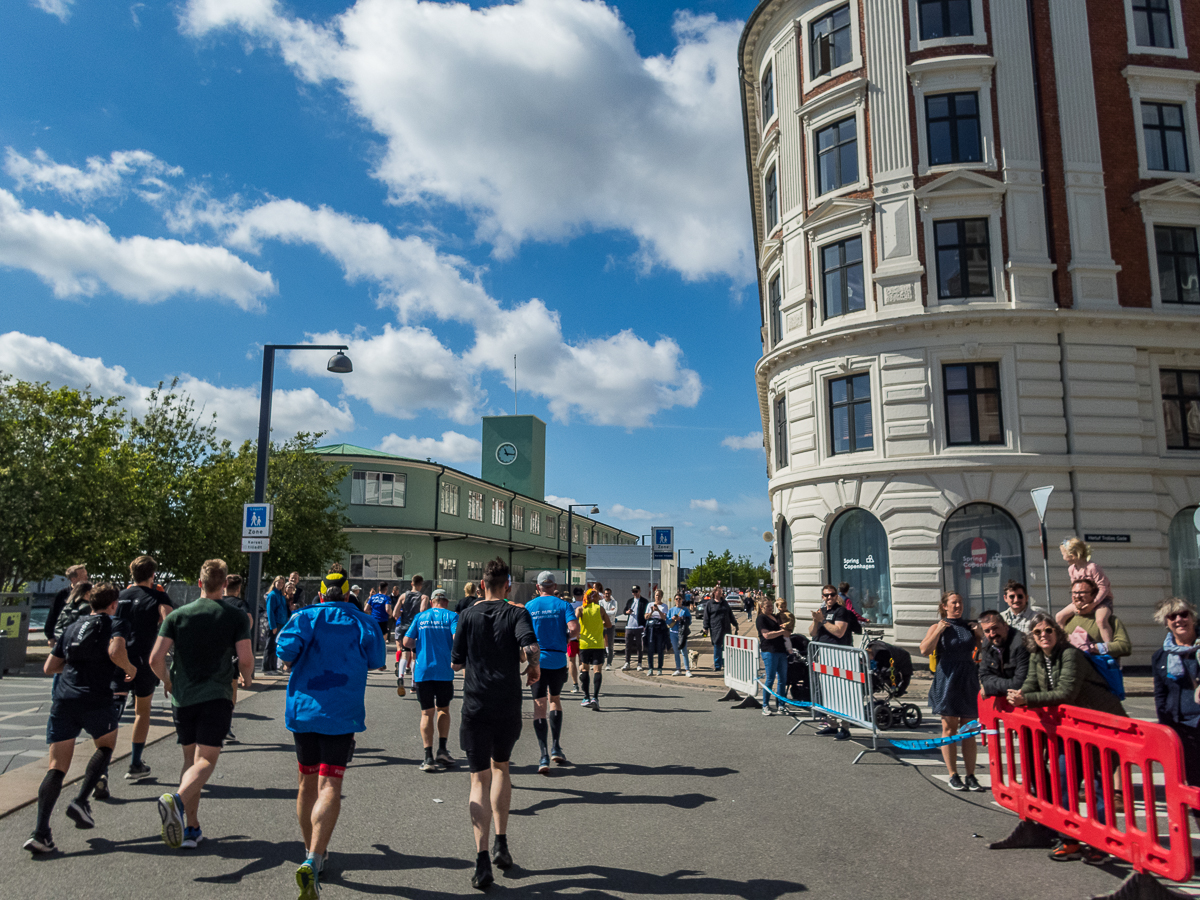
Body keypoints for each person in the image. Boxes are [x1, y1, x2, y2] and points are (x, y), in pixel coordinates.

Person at [276, 581, 384, 899]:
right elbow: (377, 660)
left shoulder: (305, 617)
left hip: (304, 711)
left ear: (322, 594)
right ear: (349, 595)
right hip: (342, 713)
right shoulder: (363, 621)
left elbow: (284, 651)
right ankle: (315, 857)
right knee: (331, 784)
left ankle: (310, 851)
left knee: (306, 781)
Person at [149, 558, 253, 851]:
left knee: (189, 760)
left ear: (199, 584)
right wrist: (246, 678)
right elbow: (245, 658)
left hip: (183, 697)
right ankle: (177, 801)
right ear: (224, 585)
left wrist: (167, 681)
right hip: (215, 694)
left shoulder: (177, 616)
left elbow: (155, 659)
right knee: (206, 759)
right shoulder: (235, 617)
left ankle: (190, 827)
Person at [23, 583, 135, 855]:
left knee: (56, 767)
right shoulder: (115, 622)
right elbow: (115, 652)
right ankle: (81, 800)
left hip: (65, 698)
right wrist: (129, 668)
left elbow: (50, 667)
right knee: (106, 746)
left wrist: (74, 666)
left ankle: (41, 832)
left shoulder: (74, 625)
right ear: (113, 604)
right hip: (96, 697)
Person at [450, 558, 540, 890]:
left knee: (478, 779)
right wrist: (533, 668)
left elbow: (456, 664)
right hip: (507, 704)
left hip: (475, 704)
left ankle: (482, 860)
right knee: (501, 767)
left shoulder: (466, 615)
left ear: (482, 584)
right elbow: (530, 645)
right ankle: (502, 841)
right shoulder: (517, 612)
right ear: (507, 585)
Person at [1007, 612, 1125, 864]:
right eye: (1037, 632)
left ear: (1057, 633)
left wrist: (1026, 699)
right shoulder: (1038, 657)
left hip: (1097, 726)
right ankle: (1069, 838)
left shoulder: (1071, 654)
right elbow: (1030, 684)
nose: (1043, 635)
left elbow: (1066, 692)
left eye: (1048, 630)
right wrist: (1018, 694)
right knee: (1062, 781)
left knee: (1097, 786)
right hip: (1069, 730)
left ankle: (1100, 843)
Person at [108, 556, 174, 784]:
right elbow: (169, 622)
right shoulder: (158, 596)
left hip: (119, 658)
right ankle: (135, 762)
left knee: (112, 713)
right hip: (144, 660)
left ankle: (102, 768)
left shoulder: (120, 597)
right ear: (152, 575)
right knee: (141, 711)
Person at [919, 591, 984, 792]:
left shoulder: (969, 627)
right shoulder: (938, 626)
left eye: (960, 603)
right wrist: (938, 630)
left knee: (969, 730)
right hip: (947, 678)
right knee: (949, 728)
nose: (958, 606)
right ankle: (953, 774)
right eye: (954, 603)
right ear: (945, 606)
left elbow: (981, 651)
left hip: (968, 678)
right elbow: (924, 650)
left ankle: (971, 775)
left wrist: (979, 636)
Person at [524, 571, 578, 772]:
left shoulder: (529, 607)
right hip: (557, 660)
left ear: (538, 587)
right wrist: (563, 638)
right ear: (554, 586)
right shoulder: (563, 605)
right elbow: (574, 630)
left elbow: (522, 633)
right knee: (554, 699)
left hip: (537, 659)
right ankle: (556, 746)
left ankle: (543, 755)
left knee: (539, 705)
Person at [1151, 597, 1200, 813]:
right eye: (1172, 616)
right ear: (1166, 622)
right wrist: (1165, 731)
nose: (1179, 619)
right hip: (1183, 728)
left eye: (1184, 614)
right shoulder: (1160, 656)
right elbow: (1160, 696)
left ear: (1192, 617)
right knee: (1195, 784)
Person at [403, 588, 459, 773]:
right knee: (443, 709)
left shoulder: (421, 616)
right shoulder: (451, 616)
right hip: (444, 670)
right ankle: (442, 749)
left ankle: (428, 757)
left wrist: (419, 644)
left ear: (432, 601)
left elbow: (407, 642)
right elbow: (456, 637)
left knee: (426, 713)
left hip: (423, 671)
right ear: (446, 601)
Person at [1055, 537, 1115, 645]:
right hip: (1082, 600)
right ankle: (1066, 643)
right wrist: (1076, 604)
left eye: (1063, 554)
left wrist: (1093, 604)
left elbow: (1103, 588)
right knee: (1059, 617)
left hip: (1101, 600)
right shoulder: (1072, 569)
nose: (1063, 558)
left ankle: (1109, 648)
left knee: (1101, 620)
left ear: (1072, 554)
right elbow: (1074, 589)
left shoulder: (1092, 568)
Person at [1060, 578, 1132, 661]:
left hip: (1099, 670)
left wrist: (1093, 647)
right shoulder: (1066, 620)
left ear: (1094, 595)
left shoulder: (1108, 620)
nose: (1077, 596)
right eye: (1074, 592)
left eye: (1082, 592)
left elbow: (1125, 647)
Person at [224, 573, 252, 744]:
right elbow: (248, 622)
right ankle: (226, 726)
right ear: (239, 588)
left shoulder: (215, 602)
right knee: (231, 689)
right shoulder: (241, 604)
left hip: (213, 651)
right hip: (232, 650)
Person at [978, 609, 1030, 698]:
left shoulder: (1021, 643)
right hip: (1004, 701)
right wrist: (993, 687)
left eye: (995, 628)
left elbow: (1019, 683)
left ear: (1005, 626)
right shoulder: (987, 644)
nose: (992, 634)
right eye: (987, 631)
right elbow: (984, 676)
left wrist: (990, 687)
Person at [576, 589, 611, 708]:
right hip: (598, 644)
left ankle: (586, 697)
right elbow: (609, 624)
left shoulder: (580, 609)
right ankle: (595, 697)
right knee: (597, 670)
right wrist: (600, 624)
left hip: (585, 644)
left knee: (584, 668)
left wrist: (576, 634)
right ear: (596, 598)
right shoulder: (600, 609)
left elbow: (574, 622)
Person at [393, 575, 426, 695]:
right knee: (415, 656)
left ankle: (400, 677)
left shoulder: (403, 596)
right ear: (421, 585)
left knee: (404, 653)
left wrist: (403, 613)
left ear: (411, 584)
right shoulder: (423, 597)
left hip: (404, 627)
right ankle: (413, 684)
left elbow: (395, 613)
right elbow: (422, 612)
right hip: (416, 628)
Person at [757, 597, 788, 715]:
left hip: (781, 649)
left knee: (782, 679)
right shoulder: (761, 619)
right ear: (761, 607)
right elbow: (766, 635)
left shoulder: (775, 617)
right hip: (769, 650)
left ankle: (781, 705)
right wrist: (781, 632)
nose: (770, 608)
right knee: (770, 678)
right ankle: (765, 705)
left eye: (771, 606)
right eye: (767, 606)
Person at [44, 563, 87, 646]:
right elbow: (53, 615)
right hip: (65, 636)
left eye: (86, 575)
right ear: (73, 579)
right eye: (83, 575)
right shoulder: (62, 594)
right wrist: (50, 637)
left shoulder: (90, 594)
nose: (87, 578)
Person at [702, 588, 739, 672]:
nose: (720, 592)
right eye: (719, 591)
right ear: (714, 592)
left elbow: (730, 614)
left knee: (726, 646)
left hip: (726, 627)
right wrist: (705, 627)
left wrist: (735, 624)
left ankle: (726, 663)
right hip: (715, 628)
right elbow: (706, 617)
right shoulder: (710, 604)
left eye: (721, 591)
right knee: (717, 646)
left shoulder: (725, 603)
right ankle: (717, 665)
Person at [263, 575, 289, 673]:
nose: (280, 584)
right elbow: (270, 612)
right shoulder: (272, 595)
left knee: (276, 647)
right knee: (270, 646)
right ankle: (267, 668)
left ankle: (273, 667)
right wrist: (273, 626)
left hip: (282, 623)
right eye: (278, 582)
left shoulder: (281, 595)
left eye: (282, 583)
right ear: (274, 583)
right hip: (275, 623)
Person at [621, 585, 649, 671]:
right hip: (629, 626)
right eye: (633, 592)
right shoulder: (630, 601)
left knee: (639, 646)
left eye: (636, 591)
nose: (635, 593)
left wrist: (644, 626)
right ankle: (627, 662)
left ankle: (639, 663)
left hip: (639, 626)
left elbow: (646, 613)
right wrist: (627, 612)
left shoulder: (644, 601)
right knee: (628, 645)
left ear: (639, 591)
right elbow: (624, 611)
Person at [644, 589, 670, 676]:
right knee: (650, 649)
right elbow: (646, 617)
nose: (657, 597)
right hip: (651, 628)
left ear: (661, 597)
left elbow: (664, 617)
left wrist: (658, 610)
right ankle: (650, 668)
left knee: (660, 649)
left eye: (659, 595)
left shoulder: (664, 606)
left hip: (660, 629)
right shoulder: (649, 605)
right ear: (654, 596)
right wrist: (652, 611)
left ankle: (659, 668)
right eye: (656, 595)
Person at [668, 594, 692, 677]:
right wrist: (672, 619)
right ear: (674, 600)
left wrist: (681, 618)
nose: (678, 600)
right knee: (676, 651)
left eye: (679, 599)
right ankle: (678, 669)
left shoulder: (685, 610)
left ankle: (687, 669)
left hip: (682, 633)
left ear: (682, 600)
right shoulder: (671, 610)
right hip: (673, 632)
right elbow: (667, 622)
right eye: (676, 599)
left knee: (684, 651)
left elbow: (689, 621)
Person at [566, 585, 585, 692]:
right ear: (582, 595)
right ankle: (583, 673)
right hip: (584, 637)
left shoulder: (569, 606)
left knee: (571, 660)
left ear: (573, 595)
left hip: (572, 636)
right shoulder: (585, 606)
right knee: (583, 660)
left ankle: (575, 685)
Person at [600, 588, 618, 669]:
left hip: (611, 625)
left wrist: (604, 612)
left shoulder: (614, 602)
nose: (607, 595)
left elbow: (613, 612)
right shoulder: (601, 602)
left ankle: (609, 663)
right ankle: (600, 662)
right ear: (604, 594)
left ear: (610, 594)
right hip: (602, 625)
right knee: (600, 644)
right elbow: (599, 612)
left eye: (608, 593)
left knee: (610, 644)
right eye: (606, 593)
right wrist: (607, 612)